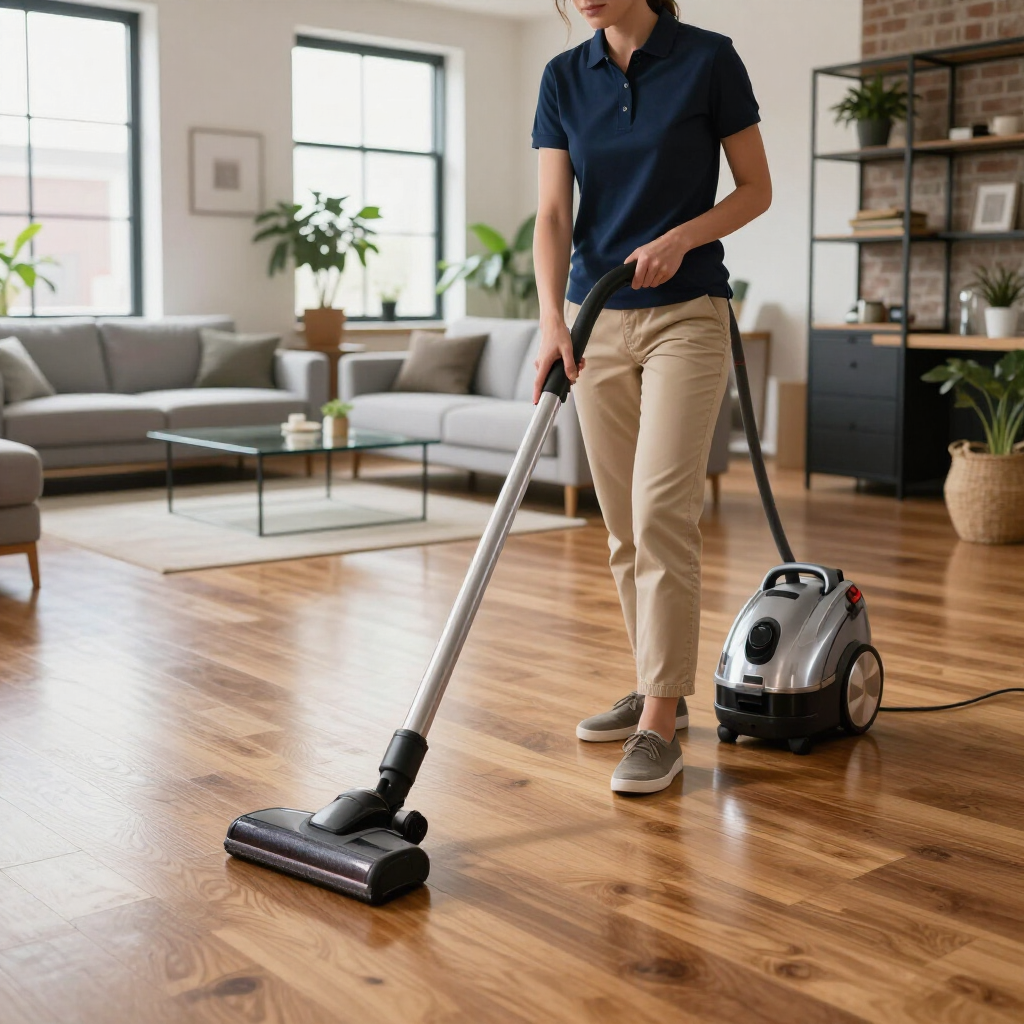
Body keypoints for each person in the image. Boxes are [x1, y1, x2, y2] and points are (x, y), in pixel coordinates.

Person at [532, 0, 772, 793]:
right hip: (594, 317)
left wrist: (683, 236)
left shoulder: (708, 59)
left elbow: (755, 189)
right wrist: (551, 322)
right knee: (622, 526)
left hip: (687, 316)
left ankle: (659, 723)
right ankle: (655, 683)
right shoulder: (564, 76)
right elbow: (553, 214)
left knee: (663, 510)